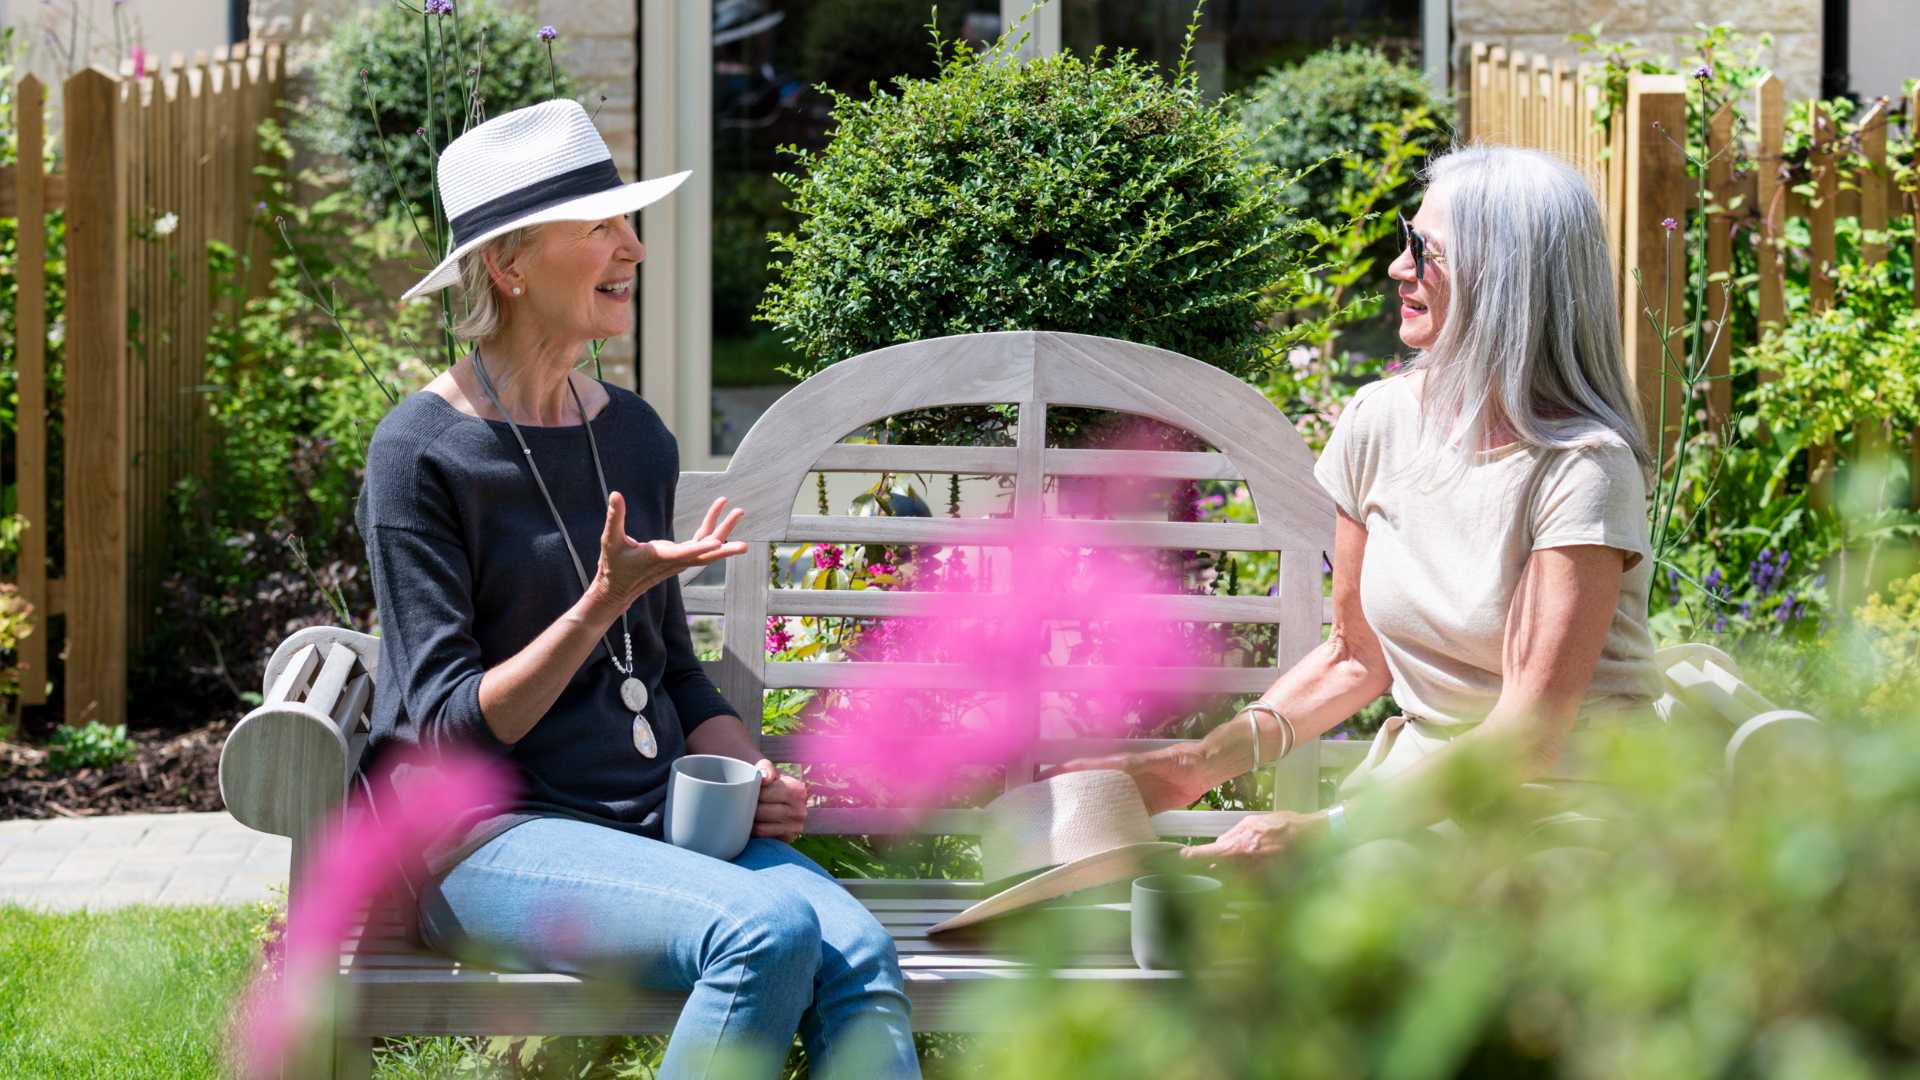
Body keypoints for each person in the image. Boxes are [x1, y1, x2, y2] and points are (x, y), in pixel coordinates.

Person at [354, 100, 918, 1078]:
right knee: (762, 931)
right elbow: (446, 727)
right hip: (486, 843)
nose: (636, 247)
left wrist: (747, 774)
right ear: (510, 263)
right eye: (602, 226)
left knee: (859, 953)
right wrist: (594, 607)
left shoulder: (634, 436)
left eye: (629, 221)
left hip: (653, 822)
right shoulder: (420, 456)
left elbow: (678, 679)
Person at [1063, 146, 1662, 858]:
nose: (1397, 267)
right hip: (1419, 797)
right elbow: (1355, 658)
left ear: (1503, 279)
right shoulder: (1379, 421)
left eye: (1423, 250)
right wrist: (1196, 763)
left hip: (1565, 811)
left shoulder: (1583, 468)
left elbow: (1529, 734)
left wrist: (1324, 834)